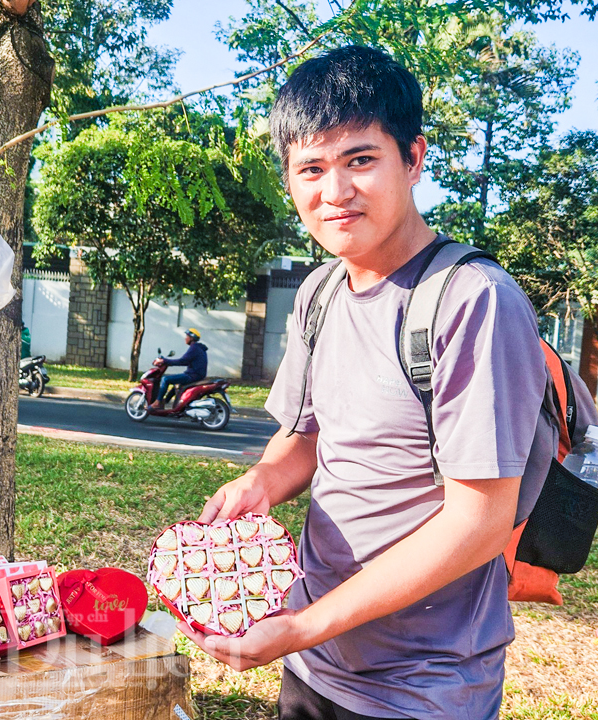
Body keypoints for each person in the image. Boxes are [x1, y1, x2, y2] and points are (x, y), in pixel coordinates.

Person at [177, 46, 547, 720]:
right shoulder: (320, 292)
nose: (335, 192)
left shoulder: (472, 301)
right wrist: (260, 483)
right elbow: (308, 438)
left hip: (424, 687)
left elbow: (481, 521)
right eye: (311, 168)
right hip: (318, 664)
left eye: (360, 160)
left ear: (413, 158)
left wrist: (303, 624)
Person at [149, 328, 208, 409]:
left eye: (187, 336)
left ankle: (157, 402)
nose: (185, 338)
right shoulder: (198, 348)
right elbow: (185, 361)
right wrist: (166, 361)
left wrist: (164, 361)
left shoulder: (194, 348)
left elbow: (182, 361)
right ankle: (165, 402)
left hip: (192, 375)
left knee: (165, 379)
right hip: (197, 375)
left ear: (191, 338)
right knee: (176, 383)